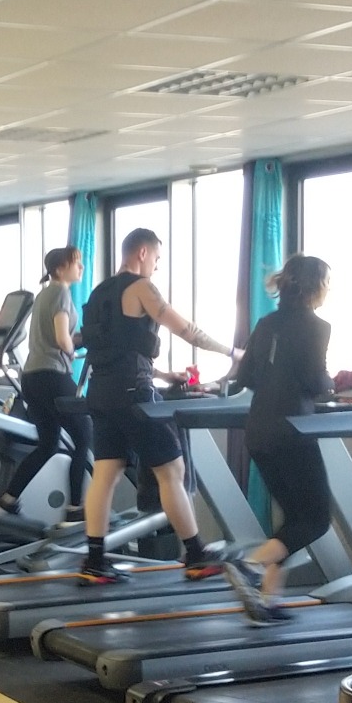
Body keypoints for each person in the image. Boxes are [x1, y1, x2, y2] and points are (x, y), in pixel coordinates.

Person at [78, 227, 237, 586]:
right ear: (142, 253)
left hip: (100, 392)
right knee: (172, 469)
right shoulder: (141, 288)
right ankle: (195, 555)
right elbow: (186, 330)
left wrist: (164, 374)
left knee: (105, 473)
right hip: (133, 394)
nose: (156, 266)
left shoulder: (98, 292)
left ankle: (94, 561)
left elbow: (118, 347)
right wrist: (233, 352)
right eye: (157, 258)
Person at [224, 255, 335, 623]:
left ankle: (268, 599)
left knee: (293, 519)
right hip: (293, 432)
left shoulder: (266, 322)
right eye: (327, 283)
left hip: (258, 432)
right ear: (315, 287)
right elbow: (315, 381)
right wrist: (335, 384)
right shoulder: (317, 327)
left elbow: (246, 378)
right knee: (316, 519)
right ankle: (250, 566)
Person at [0, 246, 90, 519]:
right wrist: (71, 349)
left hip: (32, 377)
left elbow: (56, 335)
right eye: (76, 263)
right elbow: (61, 338)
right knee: (84, 435)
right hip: (52, 375)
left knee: (47, 444)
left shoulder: (44, 294)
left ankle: (7, 499)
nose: (81, 268)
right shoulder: (61, 292)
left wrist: (78, 340)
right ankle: (75, 508)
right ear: (60, 269)